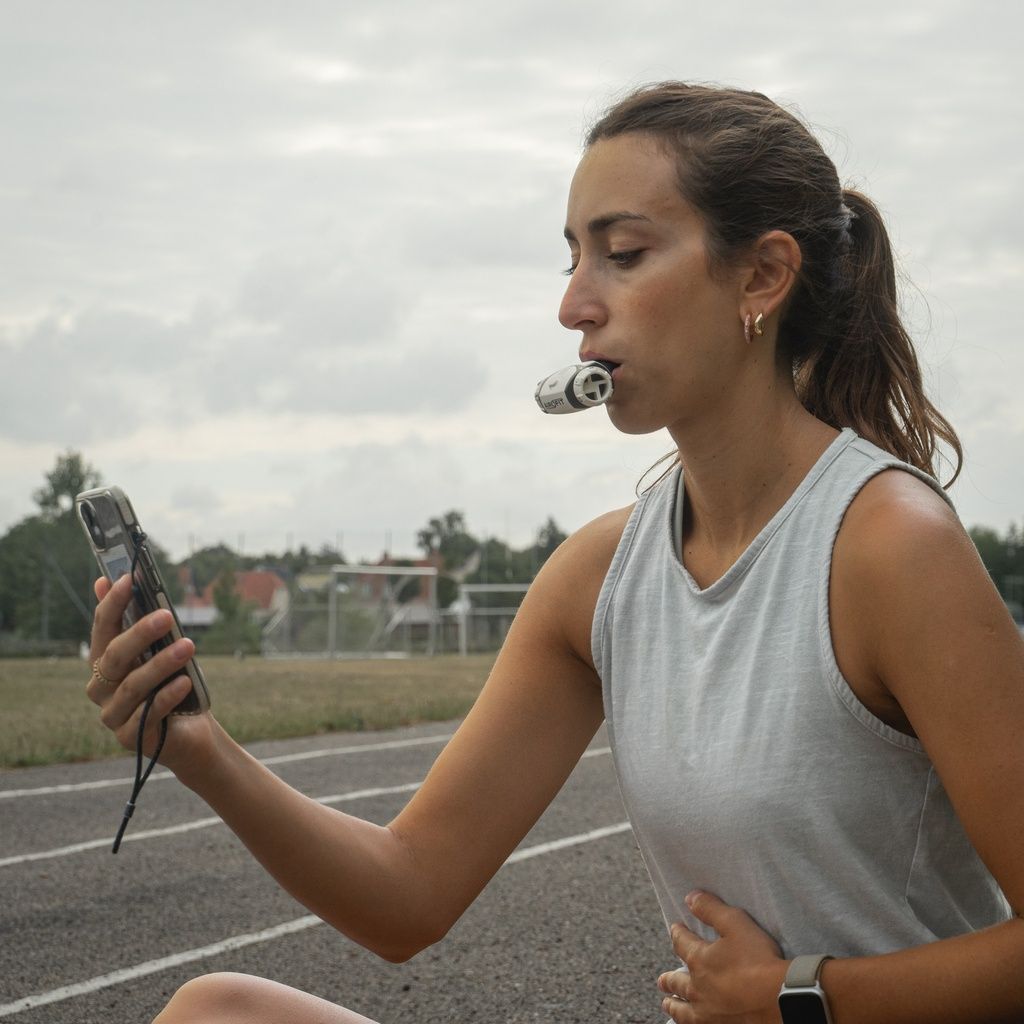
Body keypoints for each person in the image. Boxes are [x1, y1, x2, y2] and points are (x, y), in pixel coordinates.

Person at [87, 82, 1024, 1023]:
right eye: (575, 259)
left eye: (623, 255)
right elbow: (407, 893)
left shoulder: (891, 549)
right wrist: (199, 749)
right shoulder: (597, 580)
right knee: (220, 1009)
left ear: (761, 278)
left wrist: (798, 998)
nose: (575, 305)